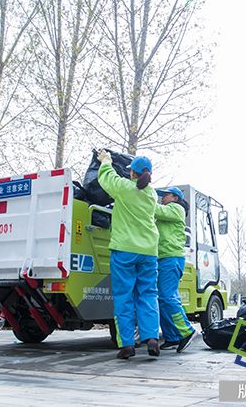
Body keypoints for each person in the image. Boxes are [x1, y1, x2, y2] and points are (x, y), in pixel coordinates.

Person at [97, 149, 161, 359]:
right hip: (149, 251)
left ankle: (127, 345)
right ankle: (151, 338)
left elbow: (107, 178)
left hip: (125, 250)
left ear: (132, 173)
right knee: (148, 294)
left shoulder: (125, 188)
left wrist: (106, 160)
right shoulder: (152, 194)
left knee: (124, 296)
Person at [154, 186, 197, 353]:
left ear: (176, 198)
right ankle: (172, 337)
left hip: (170, 259)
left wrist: (142, 198)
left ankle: (186, 331)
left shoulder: (176, 209)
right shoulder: (168, 210)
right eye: (161, 196)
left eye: (165, 196)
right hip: (165, 258)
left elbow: (154, 209)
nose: (162, 198)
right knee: (162, 298)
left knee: (167, 296)